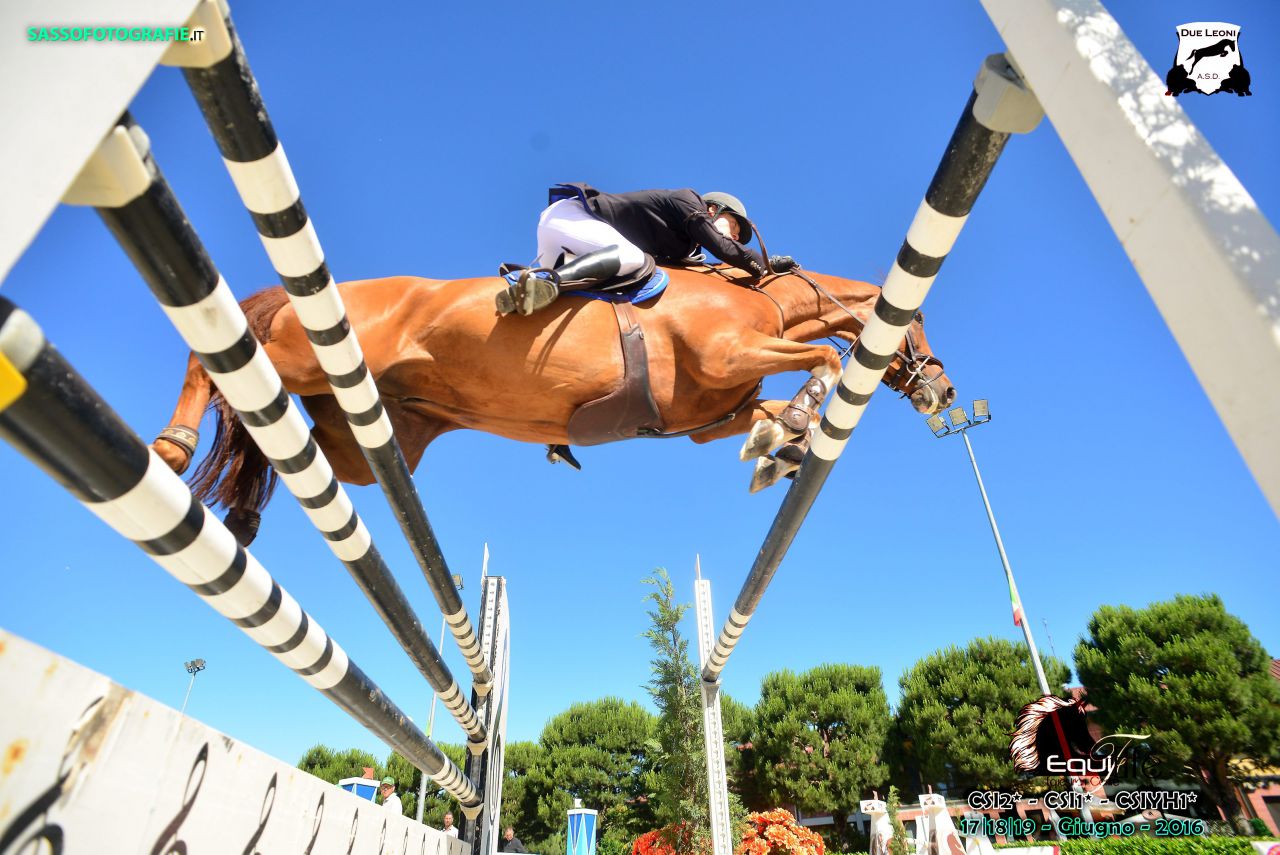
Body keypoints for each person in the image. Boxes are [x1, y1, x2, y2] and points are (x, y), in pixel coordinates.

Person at [496, 183, 796, 316]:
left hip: (568, 244)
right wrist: (767, 265)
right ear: (714, 209)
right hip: (571, 217)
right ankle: (547, 281)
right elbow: (722, 248)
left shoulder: (684, 245)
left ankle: (528, 280)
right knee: (633, 259)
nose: (732, 235)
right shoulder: (687, 200)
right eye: (731, 225)